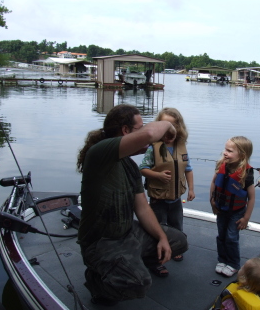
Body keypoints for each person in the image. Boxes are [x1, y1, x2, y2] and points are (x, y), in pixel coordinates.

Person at [76, 104, 188, 306]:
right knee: (138, 283)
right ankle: (96, 281)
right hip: (101, 242)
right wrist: (168, 126)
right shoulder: (99, 153)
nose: (146, 132)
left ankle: (129, 263)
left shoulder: (129, 166)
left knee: (178, 241)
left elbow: (143, 208)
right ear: (126, 131)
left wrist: (162, 238)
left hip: (128, 234)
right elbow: (150, 134)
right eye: (140, 127)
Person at [139, 107, 195, 273]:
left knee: (177, 226)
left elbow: (188, 169)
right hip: (158, 200)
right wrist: (157, 175)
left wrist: (191, 189)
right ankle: (156, 262)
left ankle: (176, 248)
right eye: (164, 125)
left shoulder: (181, 147)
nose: (169, 129)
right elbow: (142, 169)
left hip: (176, 200)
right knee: (158, 229)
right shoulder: (153, 148)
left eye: (173, 125)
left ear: (179, 127)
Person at [210, 136, 256, 277]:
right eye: (225, 149)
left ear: (242, 155)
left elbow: (252, 197)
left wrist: (246, 218)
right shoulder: (221, 165)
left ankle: (233, 263)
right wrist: (212, 201)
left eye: (230, 151)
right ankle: (222, 259)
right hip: (221, 209)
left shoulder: (246, 174)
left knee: (231, 237)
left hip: (237, 212)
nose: (225, 153)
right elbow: (214, 183)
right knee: (221, 235)